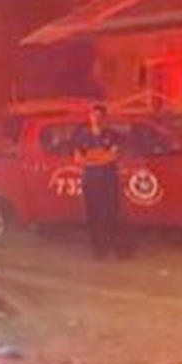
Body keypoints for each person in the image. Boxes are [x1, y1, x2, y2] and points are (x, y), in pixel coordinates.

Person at [72, 103, 123, 260]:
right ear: (89, 117)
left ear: (105, 118)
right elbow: (78, 159)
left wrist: (91, 157)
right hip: (90, 181)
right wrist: (101, 156)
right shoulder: (82, 136)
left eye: (100, 116)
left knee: (110, 214)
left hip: (109, 180)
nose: (96, 119)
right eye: (93, 115)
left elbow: (113, 156)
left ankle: (112, 249)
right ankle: (97, 251)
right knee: (93, 215)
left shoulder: (112, 135)